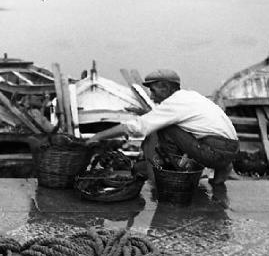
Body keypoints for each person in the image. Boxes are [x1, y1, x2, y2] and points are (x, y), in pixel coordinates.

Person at [85, 69, 239, 185]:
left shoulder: (174, 103)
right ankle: (223, 168)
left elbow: (139, 127)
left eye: (153, 90)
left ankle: (178, 173)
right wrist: (148, 113)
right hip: (230, 149)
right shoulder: (190, 97)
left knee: (162, 129)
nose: (151, 96)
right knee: (172, 126)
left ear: (165, 87)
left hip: (213, 151)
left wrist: (98, 136)